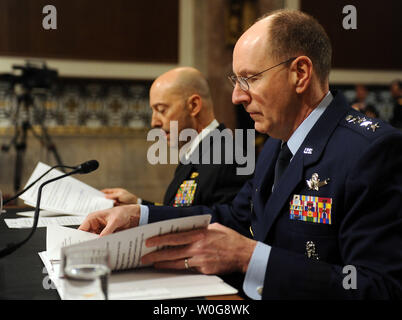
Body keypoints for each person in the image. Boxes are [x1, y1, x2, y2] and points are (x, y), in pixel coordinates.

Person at [79, 10, 402, 299]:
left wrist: (250, 257)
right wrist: (140, 216)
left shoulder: (370, 151)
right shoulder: (275, 144)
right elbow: (234, 217)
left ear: (300, 73)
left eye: (249, 79)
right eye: (236, 81)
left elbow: (380, 287)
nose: (236, 97)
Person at [102, 67, 251, 208]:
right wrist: (138, 205)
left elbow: (220, 225)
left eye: (162, 110)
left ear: (193, 105)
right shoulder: (197, 152)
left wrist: (143, 214)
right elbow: (179, 211)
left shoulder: (229, 157)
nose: (154, 122)